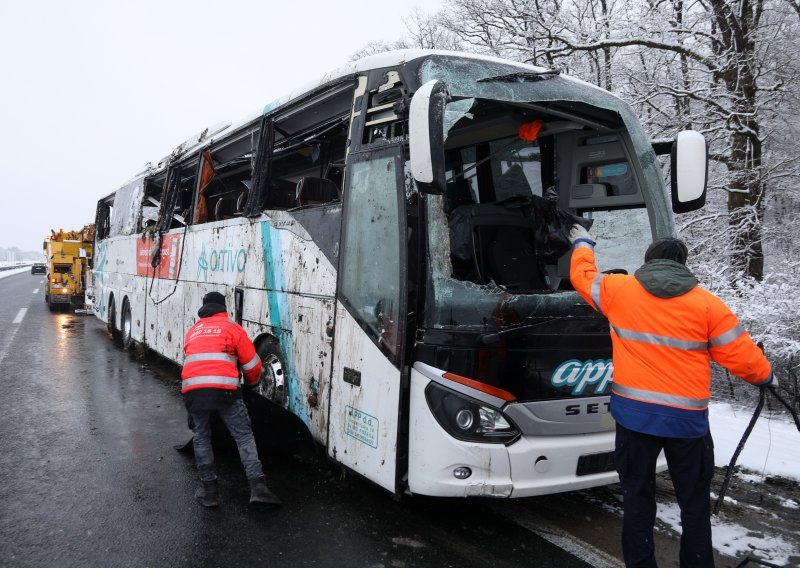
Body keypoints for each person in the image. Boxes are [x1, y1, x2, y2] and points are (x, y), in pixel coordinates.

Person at [569, 228, 775, 567]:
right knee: (693, 504)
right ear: (683, 265)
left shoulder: (617, 290)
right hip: (686, 427)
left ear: (648, 261)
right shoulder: (708, 306)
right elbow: (744, 360)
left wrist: (583, 244)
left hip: (634, 422)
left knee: (637, 499)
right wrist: (767, 375)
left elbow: (581, 276)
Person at [181, 291, 281, 508]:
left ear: (204, 308)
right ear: (223, 308)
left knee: (201, 436)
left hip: (194, 392)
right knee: (243, 436)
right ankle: (258, 488)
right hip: (226, 391)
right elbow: (253, 365)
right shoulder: (232, 328)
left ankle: (209, 492)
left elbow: (192, 364)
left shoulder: (193, 331)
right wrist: (252, 384)